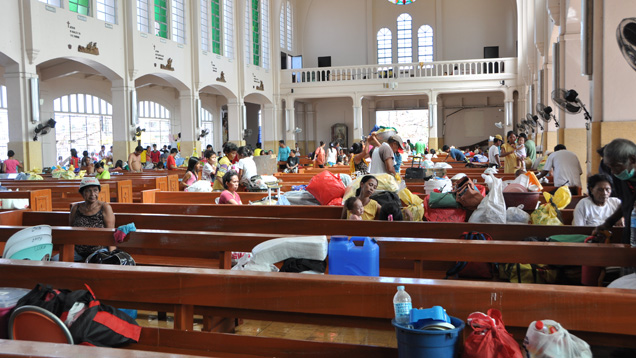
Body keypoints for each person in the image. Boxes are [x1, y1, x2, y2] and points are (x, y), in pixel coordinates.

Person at [593, 138, 636, 245]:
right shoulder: (619, 176)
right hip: (631, 231)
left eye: (616, 166)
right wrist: (608, 223)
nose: (613, 171)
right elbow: (626, 203)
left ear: (632, 159)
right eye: (609, 167)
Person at [68, 177, 115, 262]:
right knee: (56, 260)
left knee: (96, 262)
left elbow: (110, 233)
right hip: (78, 251)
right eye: (88, 191)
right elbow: (71, 230)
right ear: (82, 193)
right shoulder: (76, 208)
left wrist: (112, 253)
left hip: (98, 251)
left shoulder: (105, 207)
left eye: (95, 190)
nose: (92, 194)